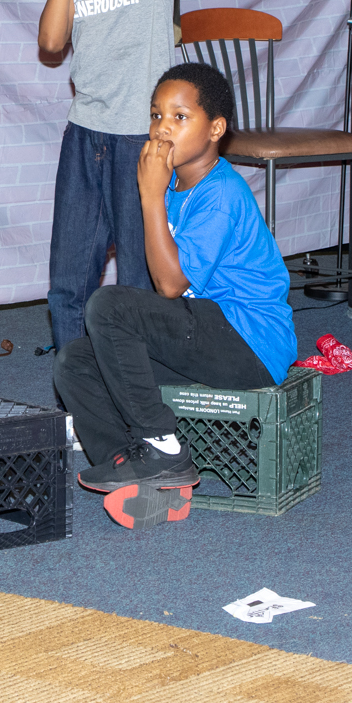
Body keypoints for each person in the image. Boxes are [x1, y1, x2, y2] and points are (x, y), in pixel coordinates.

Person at [54, 62, 295, 526]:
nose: (163, 128)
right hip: (205, 331)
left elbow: (169, 284)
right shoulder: (172, 187)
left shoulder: (221, 192)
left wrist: (148, 195)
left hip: (250, 343)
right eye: (156, 115)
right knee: (75, 361)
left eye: (180, 117)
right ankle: (134, 469)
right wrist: (154, 194)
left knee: (107, 305)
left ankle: (163, 448)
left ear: (215, 129)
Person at [38, 0, 210, 353]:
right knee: (68, 281)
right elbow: (51, 41)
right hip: (84, 133)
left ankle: (139, 391)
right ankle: (77, 390)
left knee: (137, 281)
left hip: (139, 137)